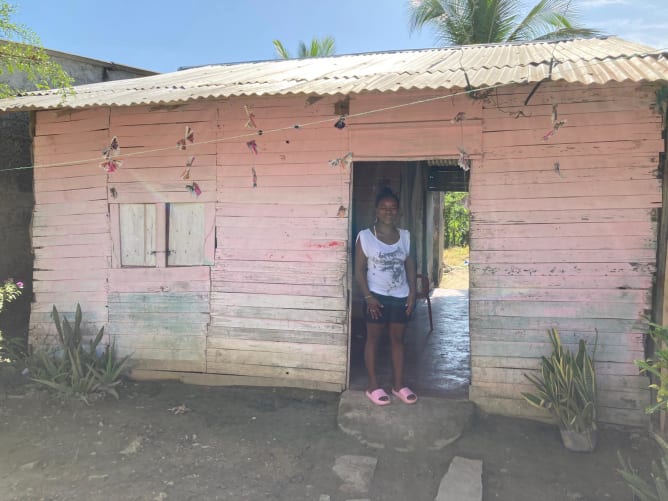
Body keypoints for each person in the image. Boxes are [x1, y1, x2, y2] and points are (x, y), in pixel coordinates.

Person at [354, 187, 417, 406]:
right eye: (384, 208)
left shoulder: (406, 236)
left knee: (398, 340)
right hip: (376, 297)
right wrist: (368, 297)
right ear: (376, 211)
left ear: (398, 212)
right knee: (374, 339)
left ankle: (398, 385)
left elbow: (410, 264)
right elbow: (359, 270)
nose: (388, 212)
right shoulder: (365, 237)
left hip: (400, 296)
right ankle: (373, 386)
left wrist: (412, 294)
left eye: (393, 208)